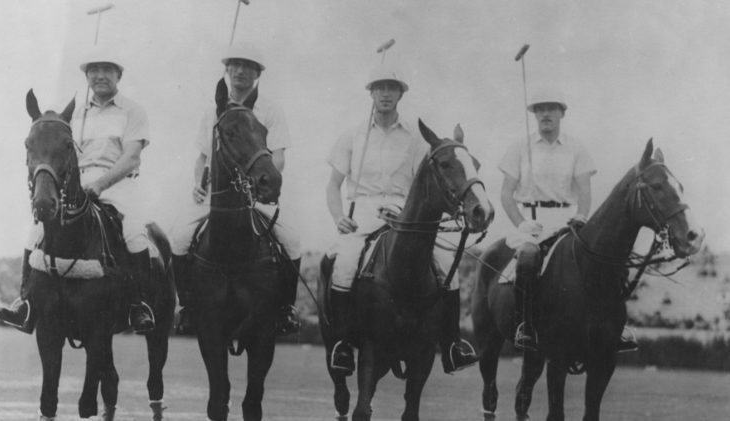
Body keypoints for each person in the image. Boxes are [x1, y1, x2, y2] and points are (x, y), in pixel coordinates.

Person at [325, 65, 478, 375]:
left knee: (449, 264)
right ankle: (342, 344)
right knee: (343, 263)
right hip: (364, 213)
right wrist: (340, 216)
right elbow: (333, 185)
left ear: (400, 94)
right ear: (370, 92)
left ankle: (452, 344)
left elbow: (429, 180)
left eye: (391, 88)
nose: (385, 93)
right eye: (379, 87)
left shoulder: (416, 138)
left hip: (404, 213)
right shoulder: (353, 135)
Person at [0, 47, 155, 333]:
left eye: (108, 69)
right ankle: (25, 303)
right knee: (36, 232)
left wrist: (101, 183)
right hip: (75, 185)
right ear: (86, 75)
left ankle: (138, 305)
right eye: (93, 70)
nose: (100, 76)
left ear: (119, 74)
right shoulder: (73, 114)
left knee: (134, 233)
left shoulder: (133, 110)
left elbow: (131, 157)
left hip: (119, 184)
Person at [170, 43, 301, 335]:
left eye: (248, 66)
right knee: (179, 236)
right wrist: (197, 183)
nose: (241, 70)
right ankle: (188, 306)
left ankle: (285, 309)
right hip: (217, 196)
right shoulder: (212, 111)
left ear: (257, 74)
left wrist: (262, 183)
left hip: (258, 193)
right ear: (227, 70)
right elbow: (202, 157)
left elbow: (277, 156)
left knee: (291, 239)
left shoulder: (270, 110)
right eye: (235, 65)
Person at [499, 88, 637, 352]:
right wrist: (520, 223)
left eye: (551, 108)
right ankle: (525, 325)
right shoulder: (519, 147)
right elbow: (506, 194)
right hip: (532, 221)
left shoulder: (576, 147)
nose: (545, 114)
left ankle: (616, 328)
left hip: (568, 221)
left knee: (610, 260)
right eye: (540, 109)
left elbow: (584, 189)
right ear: (534, 114)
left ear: (562, 113)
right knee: (527, 257)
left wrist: (582, 216)